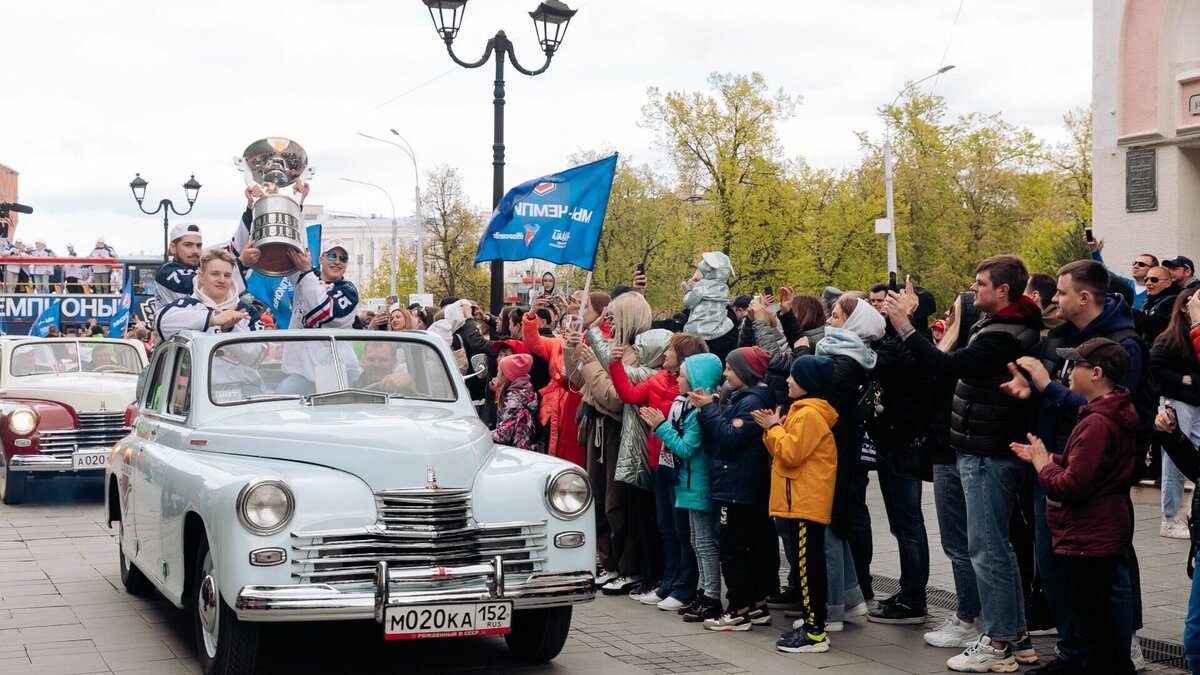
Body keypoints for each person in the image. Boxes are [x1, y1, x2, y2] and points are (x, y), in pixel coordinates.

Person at [881, 254, 1042, 672]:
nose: (973, 289)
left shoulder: (1003, 334)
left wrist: (904, 325)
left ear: (1003, 290)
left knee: (987, 548)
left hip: (988, 451)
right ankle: (1016, 635)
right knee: (989, 547)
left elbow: (944, 365)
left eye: (980, 283)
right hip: (978, 446)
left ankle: (999, 641)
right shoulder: (995, 326)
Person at [1003, 259, 1149, 669]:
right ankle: (1073, 650)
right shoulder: (1061, 338)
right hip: (1052, 465)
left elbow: (1108, 409)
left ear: (1084, 297)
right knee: (1056, 566)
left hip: (1092, 484)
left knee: (1106, 575)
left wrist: (1048, 387)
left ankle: (1115, 654)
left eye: (1062, 293)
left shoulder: (1124, 343)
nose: (1054, 299)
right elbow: (1059, 394)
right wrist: (1030, 390)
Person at [1010, 337, 1138, 675]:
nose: (1067, 372)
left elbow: (1072, 485)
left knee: (1092, 620)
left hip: (1090, 536)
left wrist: (1043, 466)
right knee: (1097, 618)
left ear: (1096, 373)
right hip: (1098, 531)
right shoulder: (1104, 413)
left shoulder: (1098, 422)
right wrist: (1047, 456)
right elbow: (1083, 466)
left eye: (1076, 365)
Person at [611, 332, 709, 611]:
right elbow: (629, 394)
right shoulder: (657, 379)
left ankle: (684, 586)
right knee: (665, 528)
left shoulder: (690, 394)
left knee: (682, 532)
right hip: (660, 465)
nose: (664, 355)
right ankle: (668, 582)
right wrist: (614, 365)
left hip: (680, 468)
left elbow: (683, 438)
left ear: (684, 360)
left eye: (671, 351)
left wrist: (661, 423)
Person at [754, 354, 839, 654]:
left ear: (807, 383)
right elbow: (783, 448)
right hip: (798, 500)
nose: (787, 380)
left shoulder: (809, 415)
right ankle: (812, 623)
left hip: (805, 501)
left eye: (793, 376)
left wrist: (773, 428)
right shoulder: (802, 411)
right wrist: (773, 427)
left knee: (808, 569)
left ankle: (816, 632)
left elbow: (790, 453)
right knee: (806, 567)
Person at [694, 346, 778, 632]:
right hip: (740, 482)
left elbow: (731, 436)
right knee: (751, 546)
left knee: (732, 549)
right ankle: (756, 604)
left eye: (730, 368)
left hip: (738, 485)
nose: (726, 374)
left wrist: (707, 409)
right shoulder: (743, 397)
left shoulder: (752, 401)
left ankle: (738, 610)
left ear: (745, 371)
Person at [816, 293, 884, 630]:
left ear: (853, 324)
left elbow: (820, 392)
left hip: (836, 449)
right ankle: (851, 595)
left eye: (837, 317)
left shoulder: (845, 361)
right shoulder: (845, 356)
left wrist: (802, 357)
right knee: (835, 524)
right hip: (837, 447)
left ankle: (832, 609)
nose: (829, 322)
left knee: (830, 525)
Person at [923, 291, 986, 650]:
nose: (947, 315)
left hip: (952, 451)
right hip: (945, 449)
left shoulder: (960, 359)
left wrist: (907, 324)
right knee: (960, 540)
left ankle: (968, 616)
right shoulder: (950, 351)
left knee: (959, 541)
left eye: (954, 310)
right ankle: (970, 612)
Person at [644, 352, 725, 623]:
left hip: (697, 484)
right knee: (696, 541)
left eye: (682, 375)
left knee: (703, 543)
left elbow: (686, 448)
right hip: (688, 484)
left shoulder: (697, 414)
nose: (677, 379)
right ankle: (704, 592)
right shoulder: (689, 407)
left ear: (696, 380)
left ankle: (711, 595)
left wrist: (661, 427)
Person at [273, 240, 360, 394]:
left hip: (339, 371)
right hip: (303, 373)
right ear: (321, 259)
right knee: (280, 397)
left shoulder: (348, 291)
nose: (337, 262)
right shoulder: (306, 277)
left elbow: (322, 313)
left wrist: (307, 273)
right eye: (332, 256)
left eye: (343, 258)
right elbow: (287, 254)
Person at [1151, 287, 1200, 540]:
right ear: (1185, 306)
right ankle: (1169, 518)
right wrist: (1184, 379)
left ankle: (1190, 511)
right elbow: (1155, 366)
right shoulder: (1173, 337)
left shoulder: (1194, 334)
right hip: (1177, 402)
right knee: (1174, 461)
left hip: (1195, 404)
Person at [155, 249, 261, 340]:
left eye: (227, 275)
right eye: (215, 274)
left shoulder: (247, 311)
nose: (222, 280)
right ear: (200, 277)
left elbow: (260, 355)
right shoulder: (186, 306)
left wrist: (230, 329)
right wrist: (213, 320)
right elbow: (161, 322)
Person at [681, 252, 737, 361]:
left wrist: (688, 293)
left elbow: (687, 303)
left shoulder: (702, 287)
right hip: (718, 333)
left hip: (697, 335)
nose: (694, 280)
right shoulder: (724, 289)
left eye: (697, 279)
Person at [1086, 235, 1156, 310]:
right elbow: (1102, 271)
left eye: (1141, 264)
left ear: (1152, 269)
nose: (1136, 266)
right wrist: (1094, 250)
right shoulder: (1124, 284)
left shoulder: (1155, 291)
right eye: (1134, 263)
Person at [492, 353, 539, 452]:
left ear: (506, 375)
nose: (497, 375)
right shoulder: (526, 394)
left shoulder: (512, 400)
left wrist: (487, 435)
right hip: (527, 449)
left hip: (513, 452)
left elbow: (504, 435)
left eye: (499, 371)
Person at [156, 223, 204, 307]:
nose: (195, 250)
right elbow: (190, 282)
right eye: (188, 245)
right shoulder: (166, 271)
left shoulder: (201, 268)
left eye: (199, 246)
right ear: (173, 248)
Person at [1141, 265, 1181, 344]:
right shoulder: (1148, 302)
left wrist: (1132, 313)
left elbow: (1156, 325)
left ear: (1168, 283)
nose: (1148, 283)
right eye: (1146, 279)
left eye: (1154, 280)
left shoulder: (1173, 302)